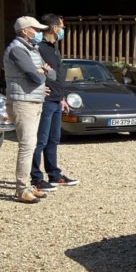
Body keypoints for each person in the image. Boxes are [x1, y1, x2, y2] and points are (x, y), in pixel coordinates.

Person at [3, 16, 51, 204]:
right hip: (23, 103)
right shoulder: (17, 49)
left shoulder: (31, 49)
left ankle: (28, 185)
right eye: (36, 29)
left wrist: (42, 71)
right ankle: (22, 189)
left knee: (31, 144)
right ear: (24, 31)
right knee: (27, 145)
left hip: (32, 100)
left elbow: (45, 74)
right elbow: (35, 77)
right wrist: (42, 71)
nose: (39, 33)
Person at [30, 14, 79, 191]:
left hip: (57, 100)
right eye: (62, 27)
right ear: (54, 28)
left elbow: (57, 76)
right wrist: (39, 89)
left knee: (53, 140)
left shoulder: (54, 48)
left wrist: (62, 98)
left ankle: (54, 175)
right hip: (45, 101)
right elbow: (32, 72)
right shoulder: (38, 48)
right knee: (40, 140)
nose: (63, 31)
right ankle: (35, 178)